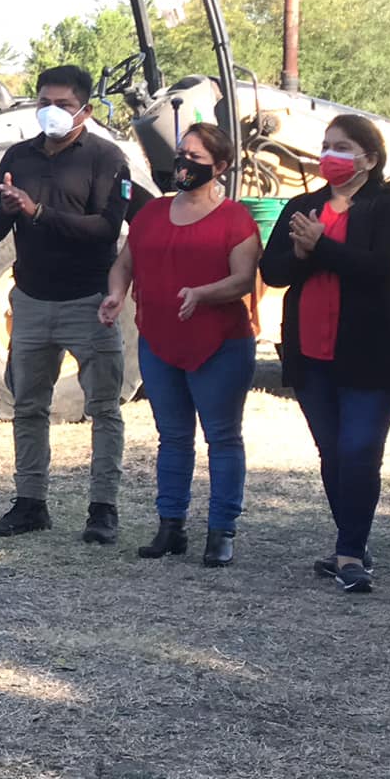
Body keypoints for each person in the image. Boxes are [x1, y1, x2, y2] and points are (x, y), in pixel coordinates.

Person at [259, 114, 390, 594]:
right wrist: (305, 252)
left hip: (372, 352)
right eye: (327, 145)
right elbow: (274, 271)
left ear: (369, 158)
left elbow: (384, 268)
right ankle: (352, 541)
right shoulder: (303, 205)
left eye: (343, 146)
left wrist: (320, 246)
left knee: (359, 451)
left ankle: (350, 554)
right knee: (332, 452)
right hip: (311, 351)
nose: (331, 154)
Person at [0, 65, 132, 544]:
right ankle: (30, 504)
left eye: (63, 104)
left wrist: (38, 211)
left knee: (104, 408)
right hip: (29, 302)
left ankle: (102, 509)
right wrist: (4, 210)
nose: (52, 111)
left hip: (88, 302)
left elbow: (106, 228)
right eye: (44, 101)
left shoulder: (107, 159)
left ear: (85, 109)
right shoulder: (19, 156)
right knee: (26, 407)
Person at [101, 124, 259, 566]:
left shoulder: (235, 219)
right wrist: (116, 294)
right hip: (160, 341)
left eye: (195, 158)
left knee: (222, 438)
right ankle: (170, 524)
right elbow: (125, 264)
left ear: (220, 167)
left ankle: (221, 531)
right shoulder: (152, 214)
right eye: (181, 154)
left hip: (220, 345)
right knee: (172, 437)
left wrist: (203, 293)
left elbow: (244, 279)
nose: (184, 165)